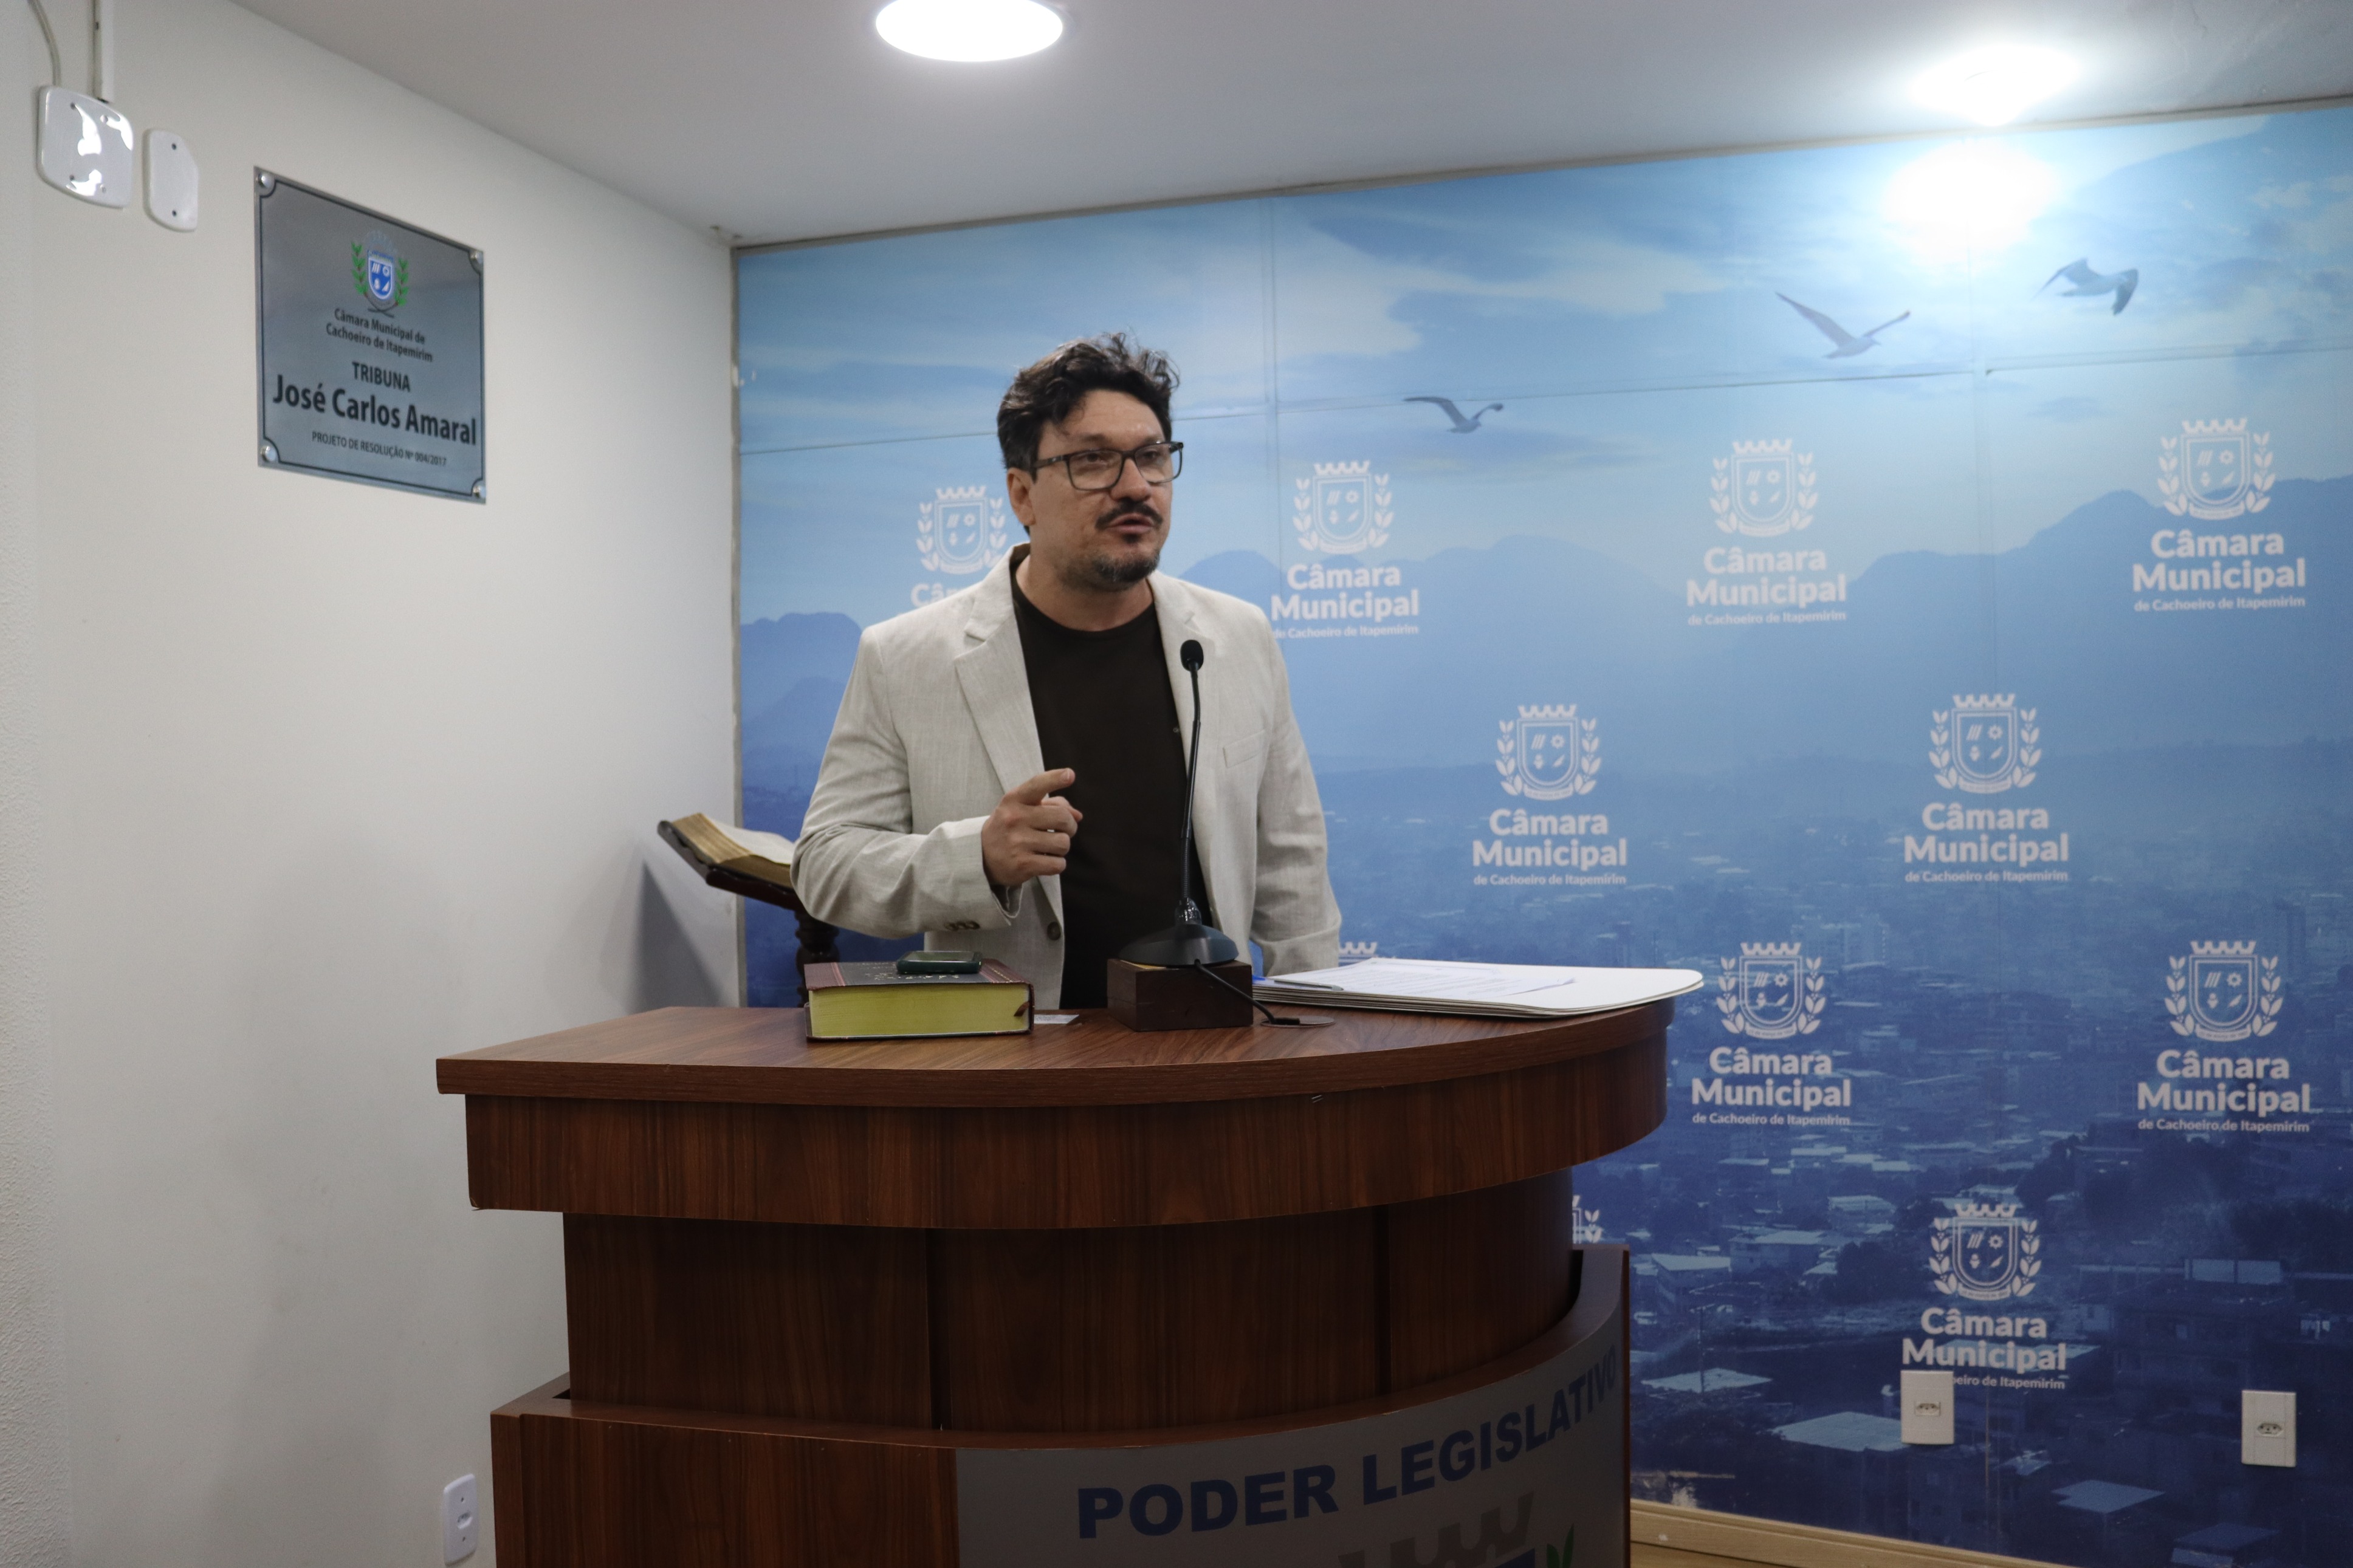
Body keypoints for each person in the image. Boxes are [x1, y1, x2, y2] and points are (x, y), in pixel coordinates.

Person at [795, 334, 1339, 1008]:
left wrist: (1317, 1032)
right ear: (1022, 494)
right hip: (1017, 1049)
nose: (1135, 486)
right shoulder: (905, 656)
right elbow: (825, 864)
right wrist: (977, 858)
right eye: (1093, 461)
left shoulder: (1237, 636)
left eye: (1151, 457)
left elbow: (1293, 870)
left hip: (1210, 1037)